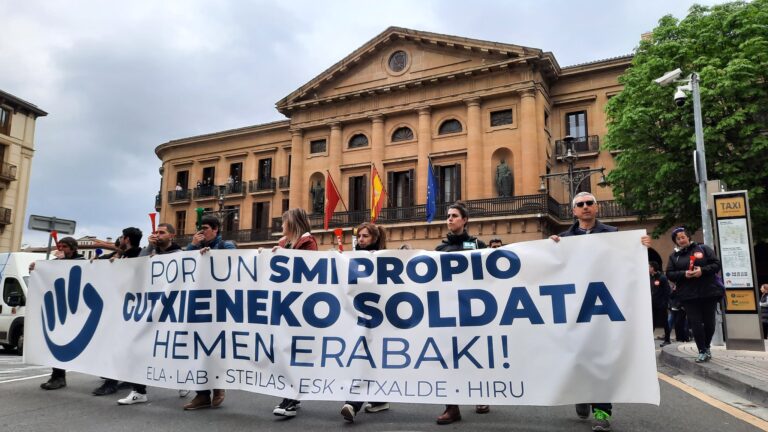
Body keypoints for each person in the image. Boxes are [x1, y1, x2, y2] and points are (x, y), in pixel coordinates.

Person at [550, 191, 651, 432]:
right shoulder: (563, 239)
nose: (585, 207)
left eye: (589, 203)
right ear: (573, 211)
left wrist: (641, 248)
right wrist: (549, 248)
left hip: (603, 310)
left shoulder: (614, 236)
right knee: (578, 357)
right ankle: (582, 396)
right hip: (575, 310)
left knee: (602, 360)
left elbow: (627, 265)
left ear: (596, 208)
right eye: (580, 204)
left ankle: (602, 412)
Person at [434, 201, 488, 425]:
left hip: (473, 310)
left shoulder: (477, 245)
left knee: (476, 354)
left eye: (455, 215)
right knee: (449, 357)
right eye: (448, 215)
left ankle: (481, 394)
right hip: (448, 311)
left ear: (465, 220)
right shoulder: (439, 250)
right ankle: (451, 407)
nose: (450, 219)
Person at [183, 216, 235, 410]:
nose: (202, 232)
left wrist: (211, 255)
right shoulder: (194, 247)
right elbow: (184, 266)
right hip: (198, 306)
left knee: (215, 348)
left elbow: (233, 263)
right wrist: (192, 247)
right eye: (200, 229)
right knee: (197, 349)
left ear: (215, 229)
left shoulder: (226, 245)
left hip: (220, 307)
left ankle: (218, 385)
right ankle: (202, 394)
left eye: (205, 228)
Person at [340, 222, 389, 422]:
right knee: (363, 359)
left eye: (365, 236)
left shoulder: (385, 259)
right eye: (359, 236)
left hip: (379, 318)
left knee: (370, 359)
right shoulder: (350, 260)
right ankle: (376, 399)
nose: (360, 240)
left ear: (374, 239)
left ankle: (353, 403)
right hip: (359, 319)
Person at [273, 208, 318, 418]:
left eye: (284, 223)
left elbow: (305, 268)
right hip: (285, 305)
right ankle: (291, 393)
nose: (282, 227)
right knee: (286, 351)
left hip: (300, 306)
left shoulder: (309, 243)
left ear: (293, 224)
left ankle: (292, 395)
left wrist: (281, 256)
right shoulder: (283, 243)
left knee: (295, 352)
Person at [93, 227, 143, 398]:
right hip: (118, 306)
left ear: (126, 239)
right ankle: (126, 378)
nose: (119, 240)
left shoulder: (139, 255)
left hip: (129, 307)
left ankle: (111, 383)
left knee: (115, 344)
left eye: (121, 237)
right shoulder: (121, 255)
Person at [665, 227, 723, 363]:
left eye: (683, 237)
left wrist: (702, 271)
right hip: (688, 295)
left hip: (708, 292)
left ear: (688, 237)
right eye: (678, 239)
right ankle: (702, 350)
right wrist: (684, 274)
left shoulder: (703, 249)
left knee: (709, 323)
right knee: (695, 323)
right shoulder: (674, 256)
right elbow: (669, 273)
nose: (681, 240)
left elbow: (716, 264)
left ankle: (707, 346)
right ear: (676, 241)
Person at [35, 237, 84, 390]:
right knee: (57, 340)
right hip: (61, 308)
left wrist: (62, 263)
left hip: (78, 308)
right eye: (60, 246)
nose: (61, 248)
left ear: (73, 248)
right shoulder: (59, 261)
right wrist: (38, 267)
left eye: (64, 246)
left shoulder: (81, 260)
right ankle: (57, 375)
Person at [649, 261, 671, 346]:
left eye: (649, 267)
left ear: (653, 268)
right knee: (652, 322)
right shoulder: (650, 278)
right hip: (653, 304)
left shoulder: (662, 277)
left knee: (665, 322)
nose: (647, 268)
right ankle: (649, 339)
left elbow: (667, 291)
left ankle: (667, 340)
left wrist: (665, 303)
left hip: (661, 305)